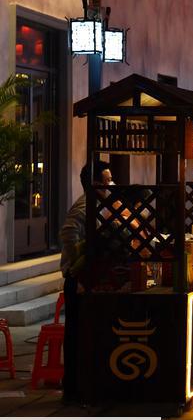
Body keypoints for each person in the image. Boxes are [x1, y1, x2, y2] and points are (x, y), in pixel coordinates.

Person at [58, 160, 113, 404]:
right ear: (95, 184)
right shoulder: (84, 206)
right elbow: (68, 233)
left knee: (85, 334)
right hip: (78, 279)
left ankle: (80, 386)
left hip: (88, 277)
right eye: (106, 181)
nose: (110, 185)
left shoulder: (99, 205)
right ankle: (73, 388)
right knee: (77, 335)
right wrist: (78, 260)